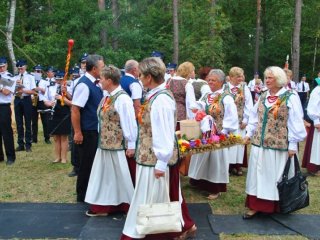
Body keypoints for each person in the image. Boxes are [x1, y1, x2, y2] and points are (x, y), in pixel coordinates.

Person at [121, 57, 196, 240]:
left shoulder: (161, 100)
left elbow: (163, 132)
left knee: (155, 197)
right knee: (166, 195)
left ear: (148, 77)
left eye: (140, 76)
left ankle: (155, 232)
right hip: (150, 155)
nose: (139, 79)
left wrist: (161, 163)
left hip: (155, 158)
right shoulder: (155, 95)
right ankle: (181, 226)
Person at [243, 66, 306, 219]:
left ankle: (276, 205)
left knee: (274, 176)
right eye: (266, 78)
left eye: (271, 78)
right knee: (257, 174)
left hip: (278, 146)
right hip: (259, 144)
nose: (267, 80)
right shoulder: (263, 96)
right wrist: (249, 133)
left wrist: (292, 145)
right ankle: (256, 205)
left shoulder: (290, 96)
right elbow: (254, 117)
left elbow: (295, 122)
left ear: (279, 79)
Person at [85, 65, 137, 216]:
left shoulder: (123, 99)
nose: (99, 81)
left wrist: (131, 144)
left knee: (121, 176)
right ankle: (106, 205)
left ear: (109, 80)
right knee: (106, 177)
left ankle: (125, 204)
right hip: (105, 145)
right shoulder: (107, 97)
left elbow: (129, 122)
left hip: (118, 145)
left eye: (101, 78)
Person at [188, 69, 238, 200]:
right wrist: (196, 109)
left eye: (213, 80)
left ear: (221, 82)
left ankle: (215, 188)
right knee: (202, 156)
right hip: (205, 132)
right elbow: (201, 105)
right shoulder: (207, 95)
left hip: (218, 133)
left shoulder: (226, 97)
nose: (210, 82)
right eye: (209, 79)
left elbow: (231, 116)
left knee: (216, 161)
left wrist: (224, 132)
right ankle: (199, 182)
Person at [71, 54, 104, 202]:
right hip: (87, 131)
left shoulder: (96, 83)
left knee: (93, 164)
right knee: (86, 164)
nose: (104, 69)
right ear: (94, 68)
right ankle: (82, 196)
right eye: (102, 67)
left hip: (94, 129)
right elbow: (75, 109)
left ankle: (91, 193)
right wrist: (78, 132)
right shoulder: (84, 85)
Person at [225, 67, 253, 176]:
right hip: (227, 121)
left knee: (239, 143)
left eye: (242, 76)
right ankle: (227, 165)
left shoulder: (245, 88)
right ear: (231, 77)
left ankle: (237, 165)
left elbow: (249, 104)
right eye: (238, 76)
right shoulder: (225, 88)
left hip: (240, 121)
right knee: (227, 142)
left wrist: (246, 119)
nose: (240, 78)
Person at [44, 71, 71, 163]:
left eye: (60, 79)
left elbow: (72, 101)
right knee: (56, 137)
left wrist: (64, 94)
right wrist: (48, 103)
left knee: (63, 136)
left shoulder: (68, 87)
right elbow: (45, 100)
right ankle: (57, 157)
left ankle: (64, 158)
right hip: (54, 112)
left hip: (64, 113)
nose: (58, 81)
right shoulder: (50, 87)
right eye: (57, 79)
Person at [14, 59, 36, 152]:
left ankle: (28, 144)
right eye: (19, 68)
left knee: (27, 122)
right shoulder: (15, 77)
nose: (20, 69)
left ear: (25, 67)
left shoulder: (30, 77)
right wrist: (15, 88)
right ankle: (20, 144)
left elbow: (33, 91)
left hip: (26, 100)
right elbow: (12, 90)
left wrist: (23, 89)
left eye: (22, 67)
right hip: (17, 100)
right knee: (19, 123)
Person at [167, 61, 194, 126]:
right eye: (192, 71)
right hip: (181, 116)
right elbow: (190, 103)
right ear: (188, 72)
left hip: (169, 113)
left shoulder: (169, 80)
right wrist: (191, 119)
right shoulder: (187, 84)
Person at [0, 57, 16, 165]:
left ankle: (10, 156)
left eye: (3, 66)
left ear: (6, 66)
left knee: (6, 132)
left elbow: (6, 92)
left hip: (4, 106)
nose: (1, 68)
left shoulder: (9, 77)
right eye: (0, 67)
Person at [302, 83, 320, 176]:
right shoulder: (317, 90)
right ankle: (314, 168)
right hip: (319, 121)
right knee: (317, 145)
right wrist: (316, 121)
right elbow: (312, 106)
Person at [31, 64, 51, 144]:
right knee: (34, 120)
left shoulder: (45, 82)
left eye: (39, 71)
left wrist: (42, 90)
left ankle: (47, 138)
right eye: (36, 71)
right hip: (33, 100)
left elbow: (48, 92)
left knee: (45, 121)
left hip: (42, 101)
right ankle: (34, 138)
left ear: (41, 73)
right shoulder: (31, 80)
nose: (37, 73)